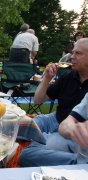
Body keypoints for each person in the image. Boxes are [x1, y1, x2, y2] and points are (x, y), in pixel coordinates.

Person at [19, 38, 88, 166]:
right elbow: (38, 100)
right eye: (72, 53)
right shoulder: (69, 76)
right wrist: (47, 78)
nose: (72, 57)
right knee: (17, 127)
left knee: (30, 153)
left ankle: (76, 161)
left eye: (78, 53)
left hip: (76, 133)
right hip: (55, 119)